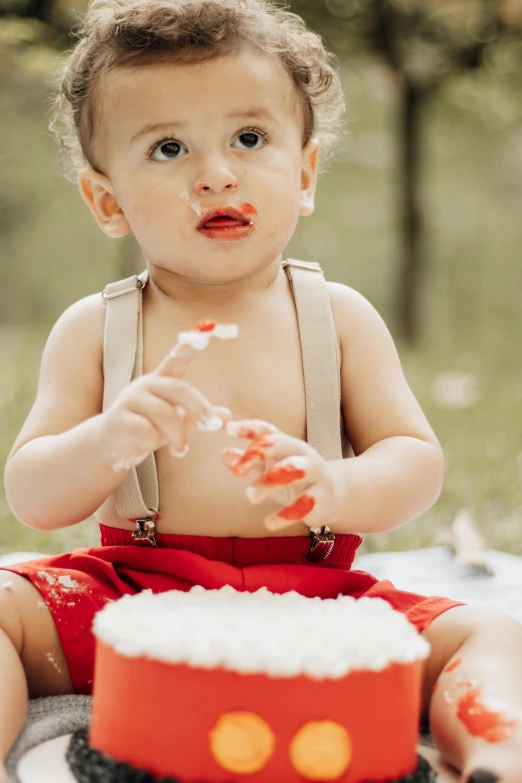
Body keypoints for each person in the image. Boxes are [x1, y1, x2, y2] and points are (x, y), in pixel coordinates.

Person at [1, 0, 521, 781]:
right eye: (169, 147)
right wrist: (108, 438)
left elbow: (415, 459)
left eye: (250, 138)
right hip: (135, 598)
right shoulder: (96, 328)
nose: (216, 173)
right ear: (108, 201)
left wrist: (336, 485)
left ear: (304, 173)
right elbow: (33, 494)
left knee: (489, 630)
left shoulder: (339, 318)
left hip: (319, 602)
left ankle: (493, 751)